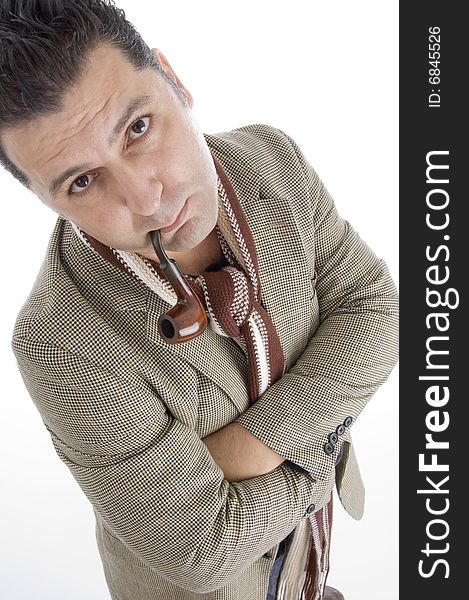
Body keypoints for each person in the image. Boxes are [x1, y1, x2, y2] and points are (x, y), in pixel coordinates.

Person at [0, 1, 399, 599]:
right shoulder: (59, 343)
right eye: (82, 182)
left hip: (311, 568)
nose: (146, 196)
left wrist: (251, 446)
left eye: (138, 127)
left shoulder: (273, 160)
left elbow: (378, 309)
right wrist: (321, 435)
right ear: (45, 200)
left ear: (174, 81)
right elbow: (202, 552)